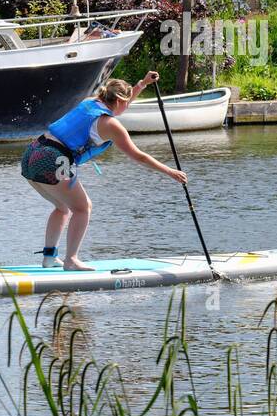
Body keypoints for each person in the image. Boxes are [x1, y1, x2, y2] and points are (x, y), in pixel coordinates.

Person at [20, 72, 186, 271]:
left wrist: (141, 84)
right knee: (83, 208)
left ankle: (49, 258)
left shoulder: (91, 102)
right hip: (53, 160)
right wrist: (169, 171)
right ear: (118, 100)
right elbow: (138, 156)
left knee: (63, 207)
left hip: (32, 153)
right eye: (127, 101)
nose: (128, 106)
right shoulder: (111, 125)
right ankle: (71, 260)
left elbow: (119, 104)